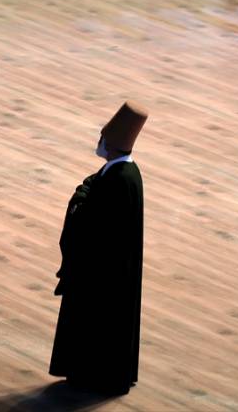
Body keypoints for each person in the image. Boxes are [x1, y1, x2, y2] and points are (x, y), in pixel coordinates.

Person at [50, 101, 147, 397]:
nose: (99, 142)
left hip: (100, 273)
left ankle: (93, 376)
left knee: (96, 325)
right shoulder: (125, 173)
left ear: (113, 145)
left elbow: (89, 221)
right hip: (114, 270)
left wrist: (78, 199)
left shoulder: (117, 179)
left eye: (103, 138)